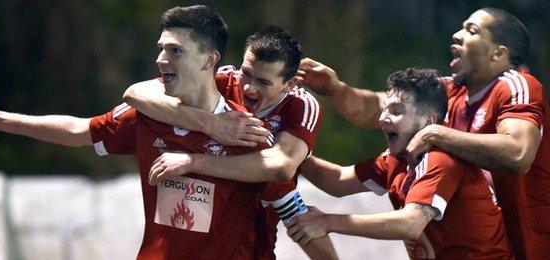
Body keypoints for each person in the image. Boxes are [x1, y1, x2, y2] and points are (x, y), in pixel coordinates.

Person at [0, 5, 274, 259]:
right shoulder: (150, 115)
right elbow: (80, 130)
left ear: (208, 59)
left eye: (175, 51)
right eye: (160, 49)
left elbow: (286, 206)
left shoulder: (245, 132)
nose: (161, 59)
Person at [297, 7, 548, 259]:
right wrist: (336, 90)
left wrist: (436, 134)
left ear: (498, 53)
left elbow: (518, 154)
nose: (457, 35)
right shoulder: (442, 98)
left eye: (471, 31)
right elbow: (378, 108)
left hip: (531, 241)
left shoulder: (516, 85)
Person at [124, 26, 337, 259]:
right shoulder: (223, 81)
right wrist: (210, 124)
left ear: (290, 84)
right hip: (197, 213)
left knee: (296, 214)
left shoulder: (300, 105)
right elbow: (136, 93)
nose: (248, 87)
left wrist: (193, 162)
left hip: (258, 219)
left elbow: (281, 167)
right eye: (246, 72)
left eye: (263, 82)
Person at [288, 68, 513, 259]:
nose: (382, 118)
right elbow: (336, 182)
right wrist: (292, 149)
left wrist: (327, 222)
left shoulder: (441, 158)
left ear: (429, 121)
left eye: (396, 111)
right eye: (385, 108)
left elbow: (410, 224)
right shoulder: (396, 159)